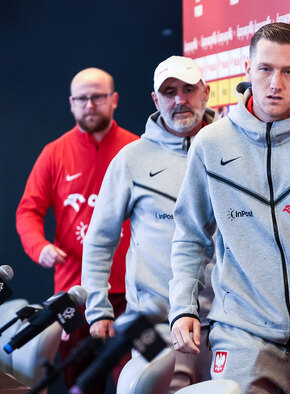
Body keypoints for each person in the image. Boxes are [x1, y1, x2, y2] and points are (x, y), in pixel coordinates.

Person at [169, 23, 290, 393]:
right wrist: (183, 306)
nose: (275, 83)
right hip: (241, 333)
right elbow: (190, 237)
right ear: (247, 69)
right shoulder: (211, 143)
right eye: (265, 69)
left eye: (288, 71)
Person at [82, 56, 217, 391]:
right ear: (156, 100)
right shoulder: (131, 158)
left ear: (206, 93)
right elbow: (100, 239)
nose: (180, 100)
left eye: (188, 89)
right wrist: (98, 309)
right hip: (154, 322)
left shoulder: (229, 149)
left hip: (224, 323)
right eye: (169, 92)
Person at [15, 68, 138, 389]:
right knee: (80, 381)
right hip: (75, 293)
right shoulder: (54, 153)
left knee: (132, 380)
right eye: (82, 98)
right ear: (71, 103)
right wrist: (39, 246)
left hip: (131, 291)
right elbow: (28, 211)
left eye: (97, 96)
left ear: (114, 100)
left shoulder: (136, 149)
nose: (90, 104)